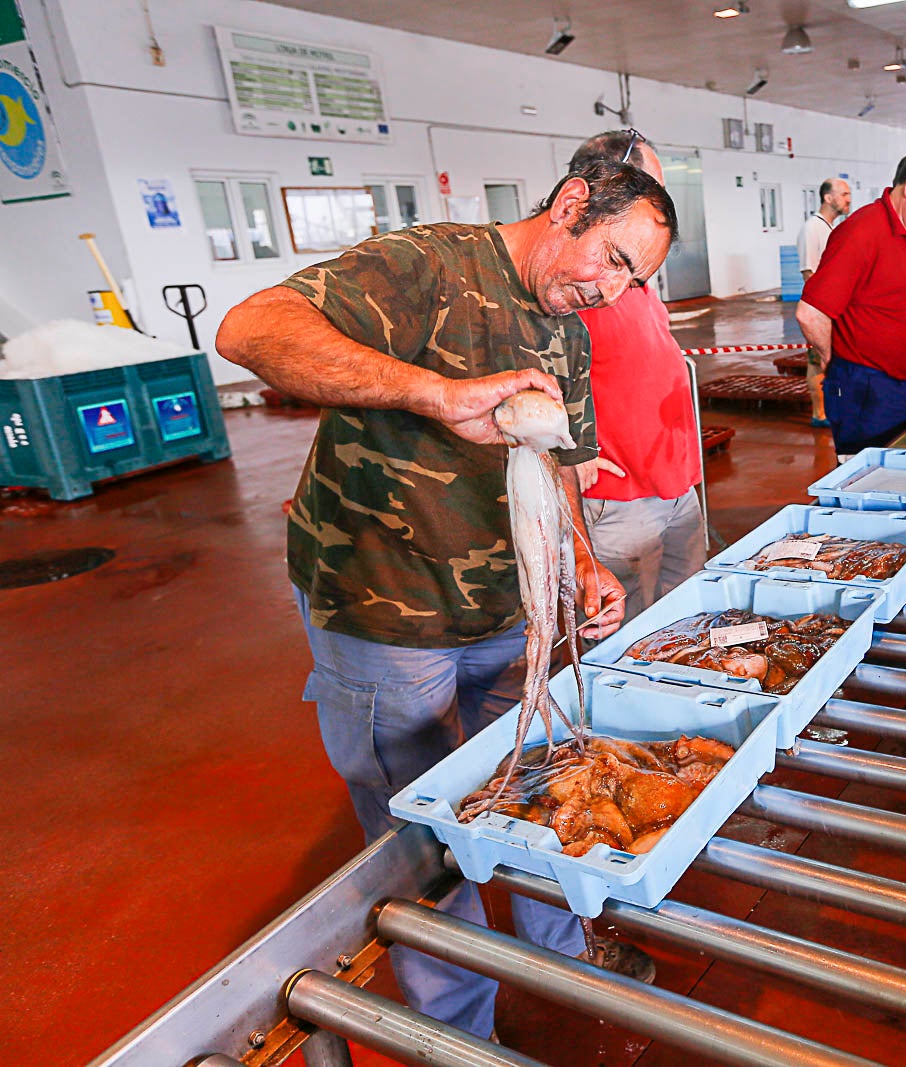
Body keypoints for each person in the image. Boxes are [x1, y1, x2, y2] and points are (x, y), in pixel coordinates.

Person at [214, 156, 676, 1037]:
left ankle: (561, 954)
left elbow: (560, 464)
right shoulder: (429, 268)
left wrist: (581, 564)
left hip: (512, 613)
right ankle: (459, 1031)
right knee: (422, 839)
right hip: (391, 612)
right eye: (614, 259)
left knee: (542, 782)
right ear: (573, 205)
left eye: (635, 279)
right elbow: (249, 328)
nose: (615, 291)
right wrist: (439, 394)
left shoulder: (566, 329)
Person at [567, 131, 707, 622]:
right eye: (651, 191)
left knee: (686, 622)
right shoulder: (571, 279)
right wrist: (566, 448)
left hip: (675, 484)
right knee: (620, 631)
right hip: (619, 499)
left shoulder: (636, 273)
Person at [797, 146, 906, 455]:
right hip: (868, 392)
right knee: (868, 484)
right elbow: (810, 313)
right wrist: (835, 363)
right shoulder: (862, 233)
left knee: (900, 478)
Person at [797, 178, 852, 426]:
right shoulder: (812, 228)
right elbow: (809, 273)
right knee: (816, 359)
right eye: (843, 194)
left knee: (828, 359)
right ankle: (819, 414)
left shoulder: (831, 228)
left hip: (834, 306)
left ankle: (830, 408)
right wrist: (820, 313)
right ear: (828, 198)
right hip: (820, 307)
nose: (848, 199)